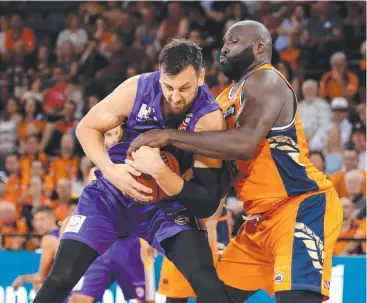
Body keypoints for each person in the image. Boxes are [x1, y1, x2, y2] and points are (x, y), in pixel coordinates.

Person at [129, 21, 343, 303]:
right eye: (225, 42)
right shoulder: (222, 100)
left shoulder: (267, 80)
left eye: (234, 41)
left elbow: (244, 144)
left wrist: (166, 136)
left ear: (260, 47)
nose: (225, 48)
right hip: (257, 223)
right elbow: (218, 178)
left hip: (300, 206)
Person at [33, 39, 233, 303]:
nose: (175, 96)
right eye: (168, 86)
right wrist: (110, 170)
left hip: (166, 203)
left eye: (184, 88)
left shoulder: (208, 118)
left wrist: (160, 172)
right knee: (62, 277)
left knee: (204, 278)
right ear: (159, 74)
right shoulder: (136, 88)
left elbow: (206, 201)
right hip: (112, 193)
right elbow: (86, 128)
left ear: (201, 77)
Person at [68, 124, 155, 303]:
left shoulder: (142, 168)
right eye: (109, 134)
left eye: (118, 133)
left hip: (132, 243)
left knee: (146, 300)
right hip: (100, 244)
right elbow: (89, 209)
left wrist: (148, 239)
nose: (114, 138)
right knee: (78, 299)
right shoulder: (95, 172)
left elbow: (149, 206)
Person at [159, 196, 232, 303]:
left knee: (210, 292)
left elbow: (222, 185)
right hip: (177, 220)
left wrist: (213, 221)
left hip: (209, 219)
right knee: (175, 296)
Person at [12, 206, 59, 292]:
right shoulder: (64, 234)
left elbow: (42, 276)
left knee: (39, 286)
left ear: (53, 218)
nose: (39, 224)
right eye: (36, 220)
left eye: (42, 219)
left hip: (64, 291)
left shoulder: (48, 239)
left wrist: (22, 278)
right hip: (74, 284)